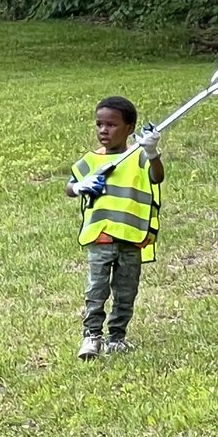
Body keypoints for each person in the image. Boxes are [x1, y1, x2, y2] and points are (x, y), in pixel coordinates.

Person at [66, 96, 164, 357]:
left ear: (129, 128)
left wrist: (152, 152)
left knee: (126, 292)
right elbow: (69, 187)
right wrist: (79, 186)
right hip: (101, 239)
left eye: (111, 125)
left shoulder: (139, 157)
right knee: (96, 289)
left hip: (131, 239)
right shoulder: (91, 161)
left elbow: (157, 176)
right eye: (99, 124)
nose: (103, 131)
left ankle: (117, 338)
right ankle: (91, 336)